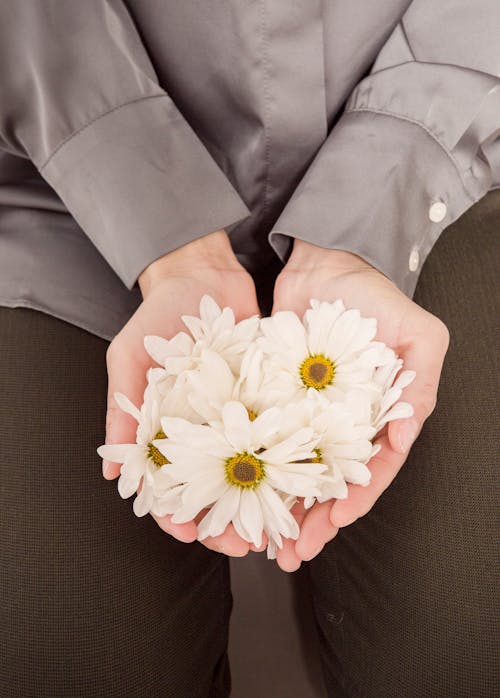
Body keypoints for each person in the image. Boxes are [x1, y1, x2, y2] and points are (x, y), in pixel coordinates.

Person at [0, 1, 498, 696]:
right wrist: (166, 239)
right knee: (66, 655)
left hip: (455, 164)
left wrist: (387, 182)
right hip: (57, 184)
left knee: (469, 647)